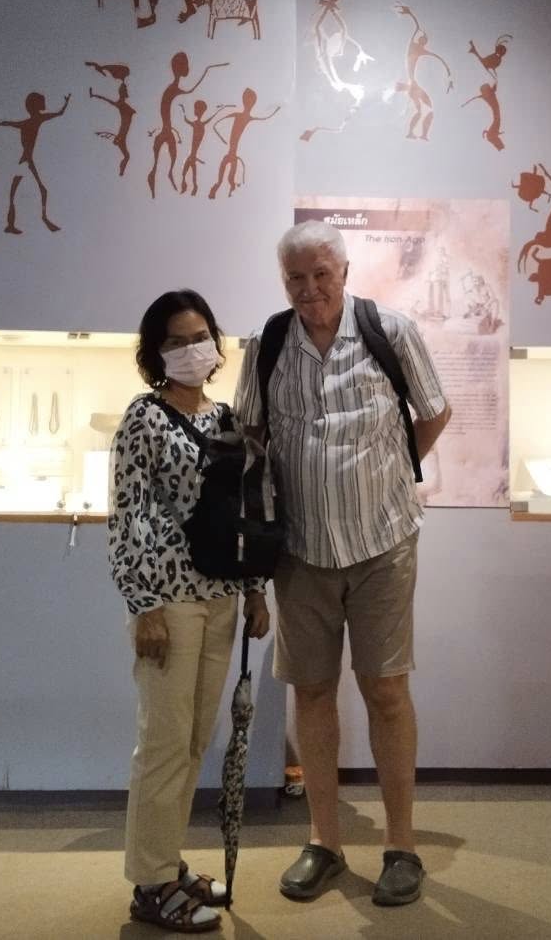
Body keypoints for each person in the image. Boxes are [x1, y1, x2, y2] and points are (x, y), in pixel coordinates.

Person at [233, 221, 451, 907]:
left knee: (386, 690)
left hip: (384, 544)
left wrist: (387, 473)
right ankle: (324, 842)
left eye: (321, 274)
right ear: (283, 281)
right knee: (312, 693)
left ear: (345, 270)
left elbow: (434, 412)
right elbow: (249, 432)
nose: (310, 289)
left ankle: (401, 847)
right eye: (296, 278)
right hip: (300, 552)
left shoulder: (392, 332)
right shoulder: (267, 344)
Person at [109, 289, 271, 933]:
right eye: (175, 341)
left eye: (199, 337)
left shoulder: (226, 418)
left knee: (196, 740)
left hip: (221, 599)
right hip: (169, 603)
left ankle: (165, 862)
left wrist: (255, 589)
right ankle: (150, 885)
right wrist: (143, 604)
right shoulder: (144, 418)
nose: (190, 349)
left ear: (215, 342)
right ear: (156, 352)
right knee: (164, 743)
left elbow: (244, 513)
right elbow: (129, 513)